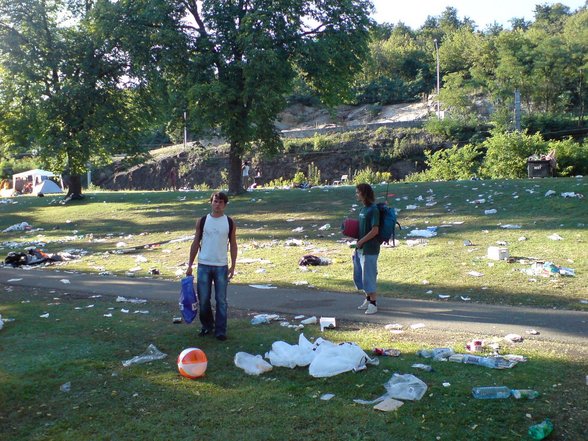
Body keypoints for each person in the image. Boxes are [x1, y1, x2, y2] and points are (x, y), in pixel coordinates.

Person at [186, 192, 238, 340]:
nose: (217, 204)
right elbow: (195, 243)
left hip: (221, 265)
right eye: (215, 201)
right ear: (211, 203)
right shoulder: (202, 221)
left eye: (221, 202)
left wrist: (233, 266)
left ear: (225, 205)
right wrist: (190, 264)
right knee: (203, 299)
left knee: (221, 300)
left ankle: (221, 330)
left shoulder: (229, 222)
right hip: (204, 265)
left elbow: (233, 244)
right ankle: (207, 326)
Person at [353, 183, 380, 315]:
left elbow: (375, 230)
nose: (356, 195)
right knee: (362, 276)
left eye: (358, 192)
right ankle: (368, 299)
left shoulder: (373, 210)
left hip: (370, 248)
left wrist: (362, 241)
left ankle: (373, 304)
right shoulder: (363, 209)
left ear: (364, 193)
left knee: (369, 276)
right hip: (360, 247)